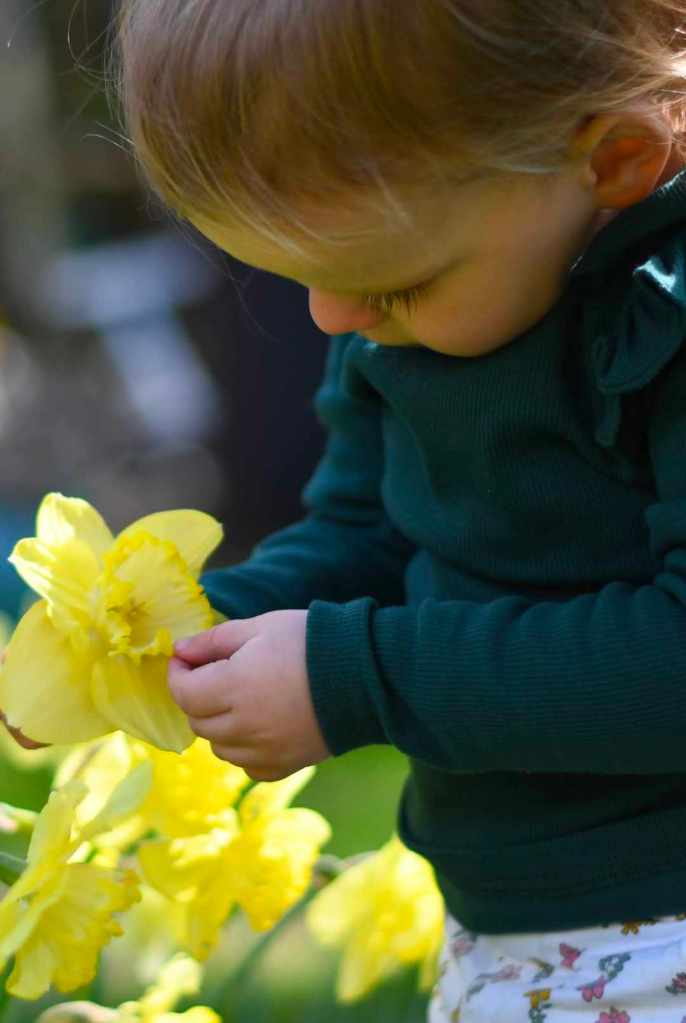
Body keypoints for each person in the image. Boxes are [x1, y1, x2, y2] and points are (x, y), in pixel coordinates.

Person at [14, 1, 686, 1018]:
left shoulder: (664, 322)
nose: (335, 319)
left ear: (613, 161)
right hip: (520, 920)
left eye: (387, 281)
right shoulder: (417, 304)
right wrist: (186, 633)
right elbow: (367, 528)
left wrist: (353, 678)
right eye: (301, 282)